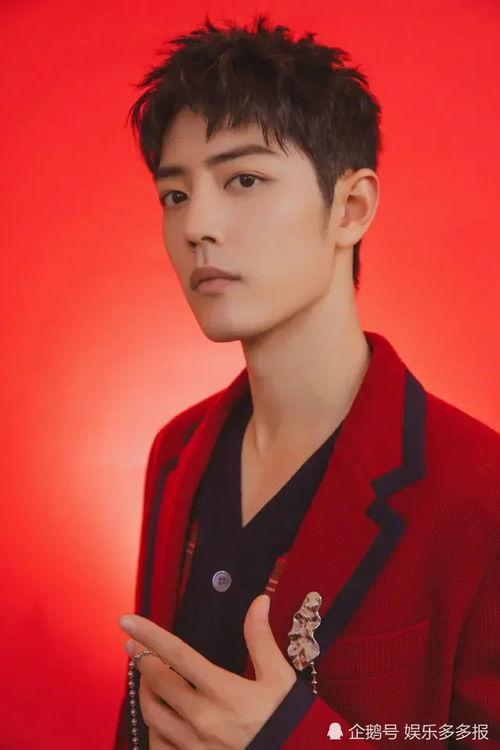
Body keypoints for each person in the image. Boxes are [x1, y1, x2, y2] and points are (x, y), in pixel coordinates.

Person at [113, 13, 500, 749]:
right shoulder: (177, 449)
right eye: (175, 195)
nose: (197, 225)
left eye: (245, 179)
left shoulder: (480, 490)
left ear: (350, 208)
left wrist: (295, 738)